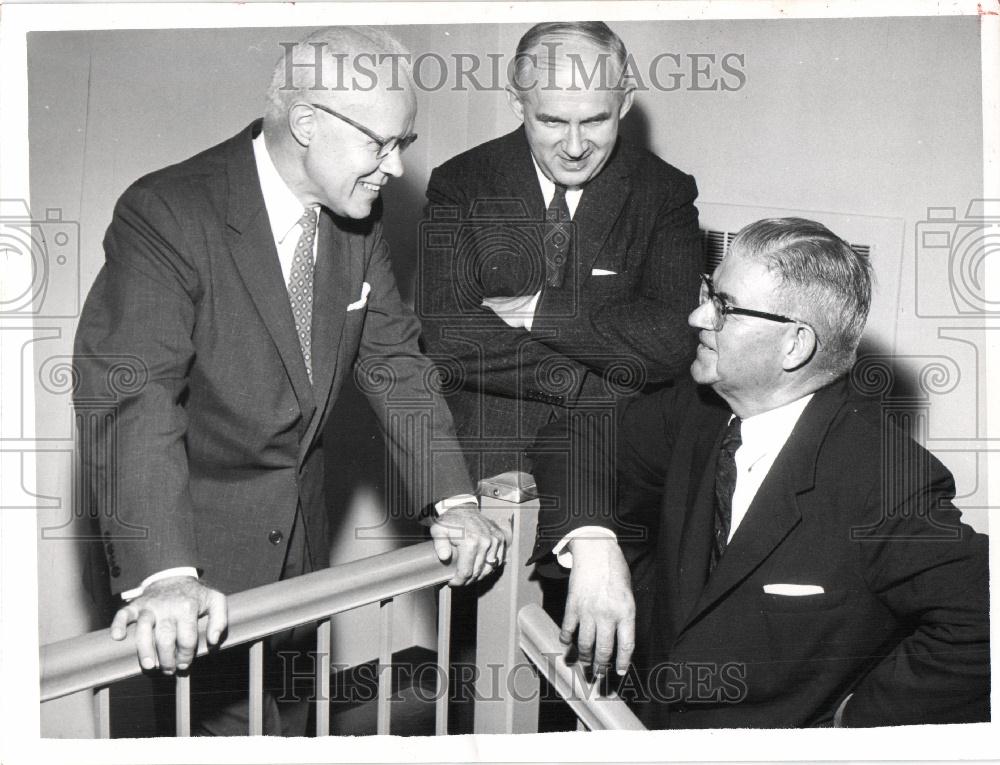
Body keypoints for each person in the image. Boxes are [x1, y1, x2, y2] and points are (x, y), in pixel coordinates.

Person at [73, 27, 506, 735]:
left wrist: (451, 498)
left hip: (301, 562)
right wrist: (165, 575)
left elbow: (396, 362)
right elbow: (133, 396)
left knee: (291, 730)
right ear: (307, 123)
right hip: (197, 573)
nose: (396, 168)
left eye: (406, 143)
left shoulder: (357, 223)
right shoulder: (170, 212)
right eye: (382, 143)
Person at [530, 217, 990, 727]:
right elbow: (574, 437)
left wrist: (851, 728)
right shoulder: (698, 408)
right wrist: (593, 544)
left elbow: (982, 623)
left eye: (724, 307)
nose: (696, 316)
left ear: (795, 345)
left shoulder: (888, 481)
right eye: (709, 291)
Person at [418, 21, 702, 482]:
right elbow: (447, 339)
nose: (574, 148)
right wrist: (594, 375)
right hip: (483, 463)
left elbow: (672, 344)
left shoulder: (665, 192)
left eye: (594, 120)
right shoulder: (461, 182)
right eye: (551, 121)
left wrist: (536, 313)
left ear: (624, 102)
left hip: (613, 463)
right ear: (518, 103)